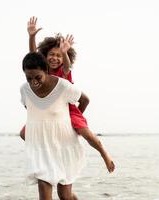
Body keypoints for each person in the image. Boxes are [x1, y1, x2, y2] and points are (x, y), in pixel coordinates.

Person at [20, 16, 115, 173]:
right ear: (45, 56)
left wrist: (70, 123)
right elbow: (33, 56)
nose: (55, 58)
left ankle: (104, 154)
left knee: (86, 133)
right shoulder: (42, 70)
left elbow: (67, 67)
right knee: (24, 133)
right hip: (48, 110)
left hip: (66, 107)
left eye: (58, 56)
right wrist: (32, 36)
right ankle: (46, 152)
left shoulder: (63, 71)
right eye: (52, 54)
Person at [20, 52, 87, 199]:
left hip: (62, 146)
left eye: (37, 77)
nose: (33, 82)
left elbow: (85, 100)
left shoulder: (62, 85)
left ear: (46, 71)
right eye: (29, 78)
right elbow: (32, 110)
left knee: (65, 196)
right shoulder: (24, 90)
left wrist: (71, 123)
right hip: (42, 150)